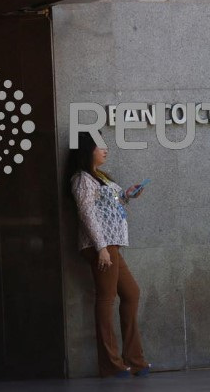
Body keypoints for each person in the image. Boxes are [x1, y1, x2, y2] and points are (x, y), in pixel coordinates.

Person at [70, 132, 151, 378]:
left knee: (131, 293)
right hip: (101, 247)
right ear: (87, 150)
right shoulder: (82, 179)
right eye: (100, 147)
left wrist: (126, 196)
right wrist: (101, 247)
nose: (106, 150)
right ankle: (111, 364)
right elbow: (86, 214)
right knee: (106, 299)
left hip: (112, 245)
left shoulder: (100, 177)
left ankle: (133, 360)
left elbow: (108, 207)